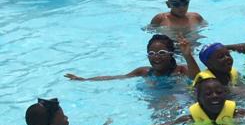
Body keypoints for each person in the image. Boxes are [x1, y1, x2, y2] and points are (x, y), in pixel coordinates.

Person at [99, 76, 245, 125]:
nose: (214, 96)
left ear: (225, 95)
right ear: (198, 99)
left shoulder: (237, 113)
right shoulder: (189, 119)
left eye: (219, 92)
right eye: (208, 94)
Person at [65, 34, 195, 81]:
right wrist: (85, 79)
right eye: (151, 53)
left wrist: (188, 56)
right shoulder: (144, 72)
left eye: (161, 53)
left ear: (171, 54)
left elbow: (196, 78)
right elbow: (116, 77)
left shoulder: (181, 70)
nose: (156, 57)